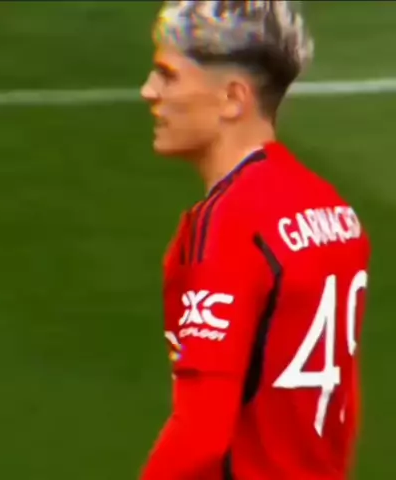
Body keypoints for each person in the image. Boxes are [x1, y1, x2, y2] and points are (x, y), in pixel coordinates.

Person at [139, 1, 372, 480]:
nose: (149, 92)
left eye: (168, 76)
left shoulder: (228, 223)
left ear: (232, 98)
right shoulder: (333, 211)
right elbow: (342, 403)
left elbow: (201, 432)